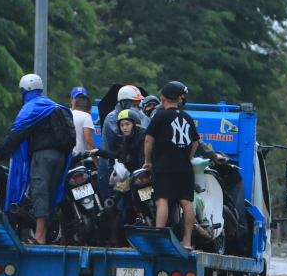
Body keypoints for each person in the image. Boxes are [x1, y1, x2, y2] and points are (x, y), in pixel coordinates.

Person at [0, 73, 75, 245]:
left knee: (39, 193)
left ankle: (39, 236)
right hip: (61, 157)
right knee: (50, 194)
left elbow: (16, 135)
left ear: (24, 91)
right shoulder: (52, 106)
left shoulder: (32, 107)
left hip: (43, 156)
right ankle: (48, 233)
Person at [143, 81, 201, 248]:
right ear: (179, 98)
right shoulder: (188, 117)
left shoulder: (160, 116)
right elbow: (196, 142)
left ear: (162, 98)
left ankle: (159, 237)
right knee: (186, 202)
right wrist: (188, 157)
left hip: (165, 166)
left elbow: (148, 139)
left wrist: (148, 161)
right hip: (184, 168)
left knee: (162, 200)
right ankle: (187, 241)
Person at [92, 109, 146, 246]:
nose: (124, 127)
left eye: (127, 124)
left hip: (143, 177)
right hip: (128, 179)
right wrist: (99, 152)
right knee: (113, 203)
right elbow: (118, 155)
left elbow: (142, 159)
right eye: (122, 125)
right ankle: (114, 239)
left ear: (135, 124)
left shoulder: (142, 137)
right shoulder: (127, 140)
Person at [69, 87, 96, 156]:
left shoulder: (65, 113)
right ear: (71, 100)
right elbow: (89, 140)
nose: (80, 100)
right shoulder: (86, 116)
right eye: (77, 98)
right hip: (75, 157)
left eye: (82, 98)